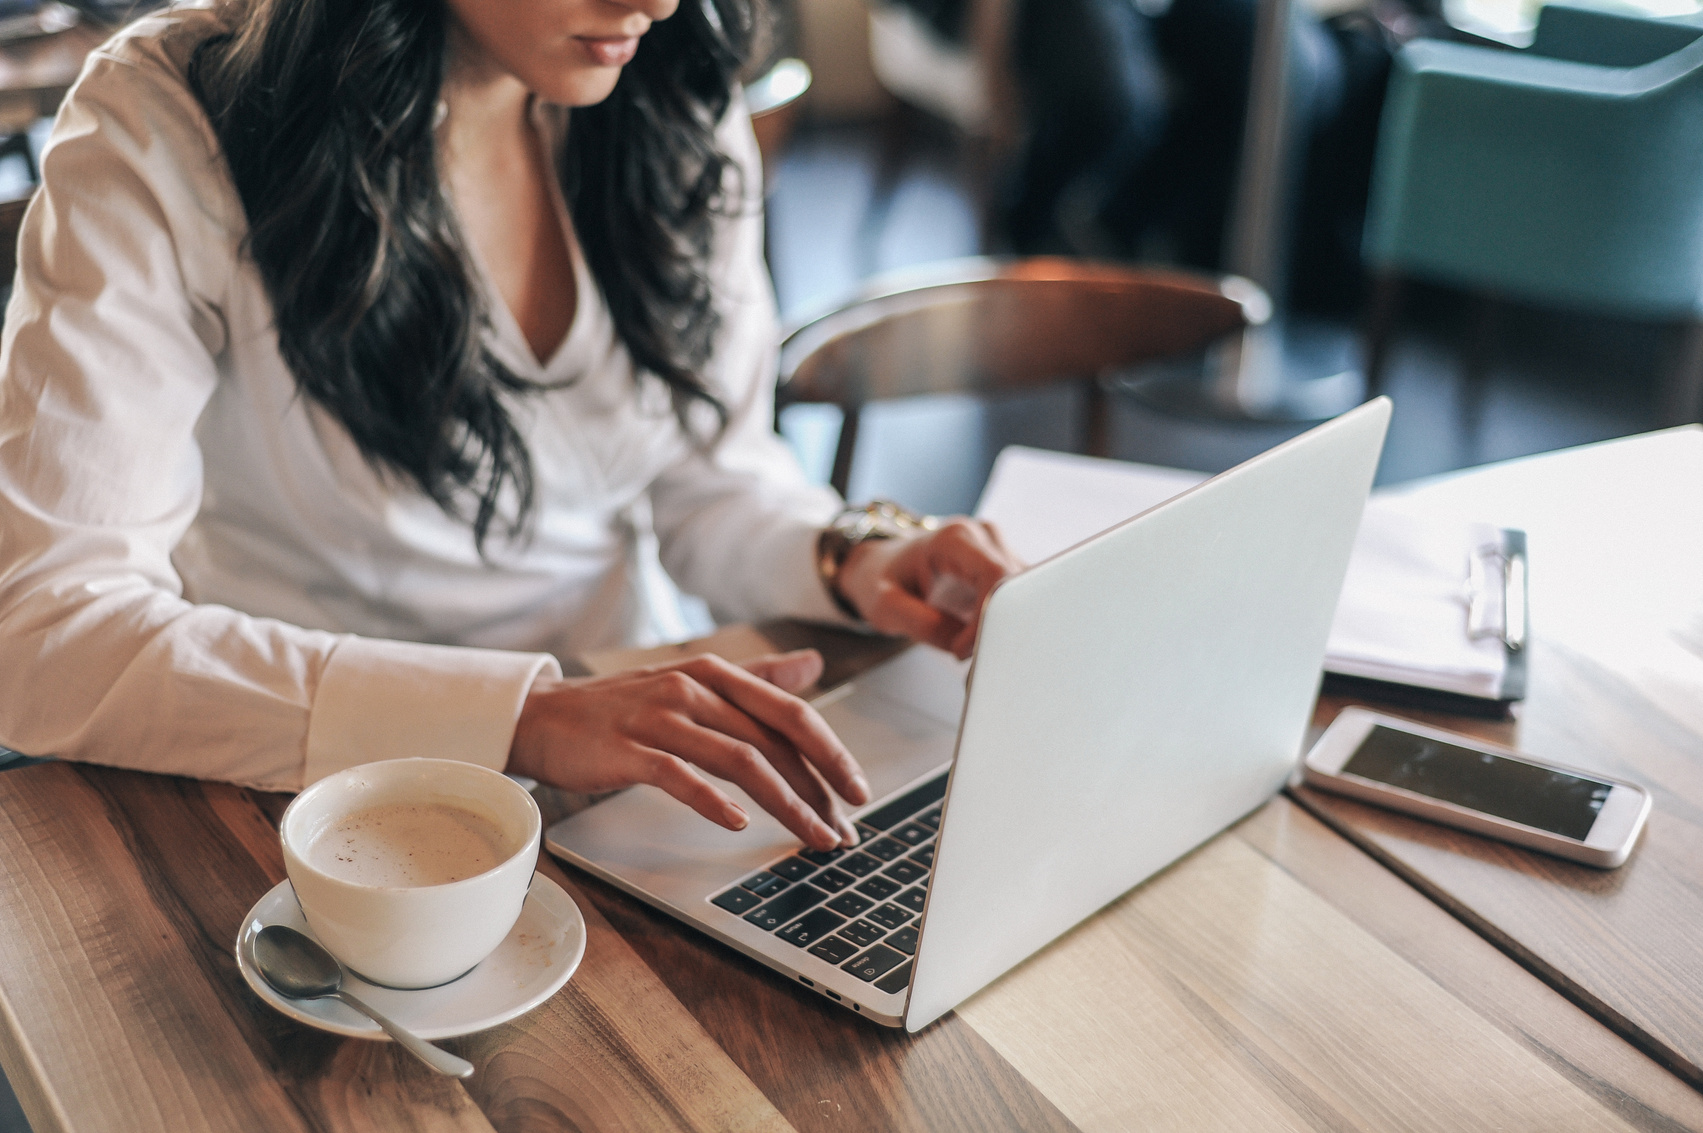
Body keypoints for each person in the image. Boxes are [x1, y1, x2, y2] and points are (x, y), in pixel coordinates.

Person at [0, 0, 1019, 853]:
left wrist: (850, 554)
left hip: (643, 764)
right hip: (310, 803)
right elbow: (47, 635)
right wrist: (522, 716)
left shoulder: (661, 94)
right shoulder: (168, 122)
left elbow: (710, 482)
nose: (658, 4)